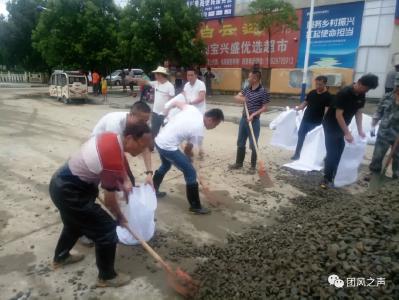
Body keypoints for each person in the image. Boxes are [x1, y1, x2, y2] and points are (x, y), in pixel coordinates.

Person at [49, 123, 152, 287]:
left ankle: (61, 257)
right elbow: (110, 200)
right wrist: (120, 217)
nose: (142, 151)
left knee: (74, 225)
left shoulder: (113, 138)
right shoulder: (110, 155)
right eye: (142, 146)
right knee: (106, 229)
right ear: (130, 138)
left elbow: (121, 162)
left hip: (61, 182)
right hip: (70, 191)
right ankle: (107, 277)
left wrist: (125, 180)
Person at [153, 102, 224, 214]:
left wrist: (166, 111)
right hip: (167, 146)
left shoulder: (193, 110)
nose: (214, 127)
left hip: (159, 139)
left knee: (166, 165)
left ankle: (153, 190)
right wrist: (189, 158)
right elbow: (187, 150)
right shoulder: (198, 132)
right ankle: (195, 206)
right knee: (190, 172)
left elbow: (177, 102)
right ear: (211, 120)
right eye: (216, 125)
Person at [321, 73, 379, 188]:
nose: (366, 91)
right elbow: (338, 115)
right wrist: (347, 133)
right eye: (366, 88)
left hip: (342, 126)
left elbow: (358, 112)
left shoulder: (361, 94)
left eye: (368, 90)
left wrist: (360, 130)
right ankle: (326, 178)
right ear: (360, 83)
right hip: (331, 125)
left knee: (340, 150)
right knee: (333, 152)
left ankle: (334, 171)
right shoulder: (344, 93)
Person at [229, 70, 270, 173]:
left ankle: (252, 166)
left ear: (255, 79)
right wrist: (241, 99)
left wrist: (253, 114)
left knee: (253, 144)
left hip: (254, 121)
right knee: (240, 142)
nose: (248, 79)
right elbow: (236, 97)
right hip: (244, 119)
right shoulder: (247, 89)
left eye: (250, 77)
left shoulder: (263, 91)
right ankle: (239, 163)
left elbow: (265, 108)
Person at [291, 75, 333, 160]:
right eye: (316, 84)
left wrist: (323, 122)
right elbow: (305, 103)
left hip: (316, 122)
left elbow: (326, 111)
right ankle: (297, 154)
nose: (317, 86)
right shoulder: (312, 92)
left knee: (313, 140)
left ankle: (309, 156)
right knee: (301, 136)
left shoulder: (328, 96)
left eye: (320, 84)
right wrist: (298, 108)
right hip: (306, 120)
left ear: (325, 84)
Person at [369, 72, 399, 179]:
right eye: (397, 85)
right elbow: (378, 112)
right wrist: (373, 126)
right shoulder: (387, 97)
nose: (398, 88)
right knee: (377, 155)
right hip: (384, 132)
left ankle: (396, 180)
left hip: (398, 134)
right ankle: (374, 174)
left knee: (398, 158)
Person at [133, 66, 175, 138]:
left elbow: (172, 101)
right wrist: (134, 79)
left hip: (165, 114)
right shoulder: (156, 83)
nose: (155, 76)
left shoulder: (170, 86)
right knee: (153, 132)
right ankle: (152, 147)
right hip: (155, 113)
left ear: (161, 75)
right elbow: (145, 82)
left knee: (167, 132)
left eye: (157, 74)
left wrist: (168, 113)